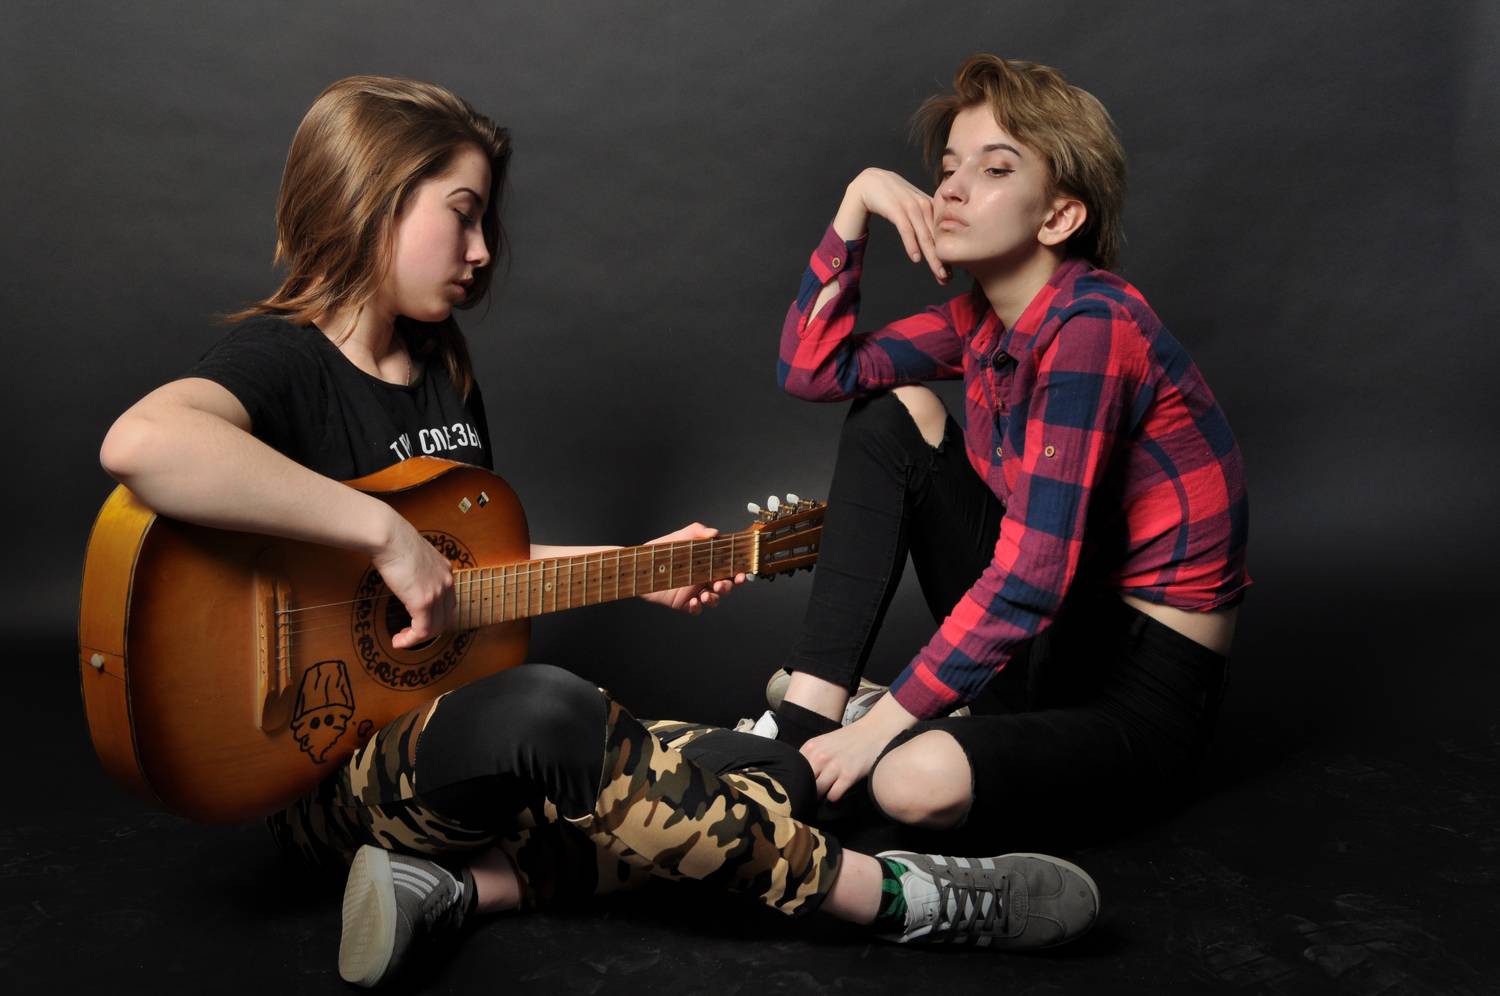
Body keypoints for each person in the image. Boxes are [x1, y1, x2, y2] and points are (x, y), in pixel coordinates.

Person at [97, 75, 1100, 987]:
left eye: (487, 221)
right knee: (548, 708)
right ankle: (894, 898)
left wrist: (637, 568)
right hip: (328, 775)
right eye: (463, 214)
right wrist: (380, 531)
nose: (483, 250)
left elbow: (461, 578)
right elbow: (145, 440)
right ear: (373, 199)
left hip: (457, 741)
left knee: (772, 771)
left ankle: (462, 888)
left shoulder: (443, 374)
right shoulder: (286, 359)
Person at [764, 55, 1250, 846]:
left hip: (1138, 694)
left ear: (1058, 218)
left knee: (910, 781)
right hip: (1045, 653)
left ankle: (880, 732)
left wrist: (879, 731)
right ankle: (803, 723)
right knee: (889, 413)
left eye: (994, 169)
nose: (950, 191)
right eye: (948, 168)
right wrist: (857, 200)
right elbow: (812, 370)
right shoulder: (979, 321)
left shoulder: (1094, 325)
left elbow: (1032, 578)